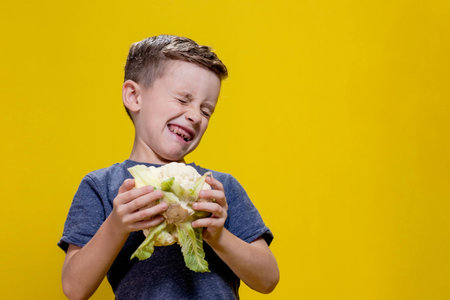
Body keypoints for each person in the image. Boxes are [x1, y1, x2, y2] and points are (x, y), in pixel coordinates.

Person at [58, 35, 279, 299]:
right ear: (134, 96)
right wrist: (117, 225)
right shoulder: (102, 186)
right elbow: (74, 288)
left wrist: (218, 236)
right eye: (183, 100)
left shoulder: (219, 190)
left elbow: (267, 279)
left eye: (206, 110)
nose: (195, 116)